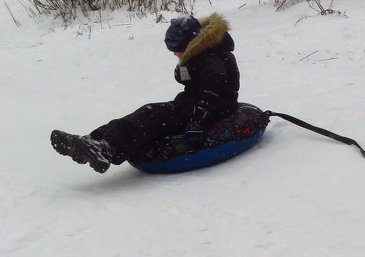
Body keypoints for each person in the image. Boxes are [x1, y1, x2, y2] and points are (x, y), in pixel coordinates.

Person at [50, 13, 240, 173]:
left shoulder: (212, 59)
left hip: (216, 108)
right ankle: (94, 141)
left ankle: (106, 149)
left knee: (151, 115)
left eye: (177, 50)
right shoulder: (204, 53)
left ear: (191, 43)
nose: (175, 54)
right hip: (192, 102)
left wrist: (198, 122)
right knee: (148, 113)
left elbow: (210, 92)